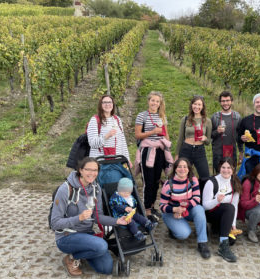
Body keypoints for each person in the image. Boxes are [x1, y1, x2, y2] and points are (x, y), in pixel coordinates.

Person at [51, 157, 128, 276]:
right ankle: (71, 258)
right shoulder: (65, 189)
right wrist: (79, 218)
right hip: (67, 236)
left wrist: (117, 221)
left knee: (106, 269)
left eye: (95, 170)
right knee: (102, 245)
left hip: (86, 233)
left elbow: (98, 217)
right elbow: (55, 223)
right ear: (80, 170)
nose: (92, 173)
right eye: (88, 170)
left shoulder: (96, 188)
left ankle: (85, 251)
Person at [159, 158, 211, 259]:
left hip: (186, 209)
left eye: (185, 167)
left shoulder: (193, 180)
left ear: (189, 169)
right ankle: (173, 229)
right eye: (179, 167)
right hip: (171, 212)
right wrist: (174, 210)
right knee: (184, 234)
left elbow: (196, 199)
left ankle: (202, 243)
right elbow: (162, 206)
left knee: (199, 209)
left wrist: (183, 209)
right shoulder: (168, 185)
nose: (182, 169)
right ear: (175, 169)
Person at [134, 91, 173, 222]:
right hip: (148, 151)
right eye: (153, 100)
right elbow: (138, 135)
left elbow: (166, 134)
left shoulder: (162, 116)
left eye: (157, 101)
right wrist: (153, 132)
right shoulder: (142, 116)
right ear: (148, 101)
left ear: (160, 103)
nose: (155, 103)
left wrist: (167, 147)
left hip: (160, 151)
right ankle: (147, 211)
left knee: (157, 180)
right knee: (148, 181)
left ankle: (152, 206)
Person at [202, 157, 241, 262]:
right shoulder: (211, 182)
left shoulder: (235, 183)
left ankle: (218, 229)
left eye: (229, 167)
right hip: (209, 213)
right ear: (219, 168)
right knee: (228, 208)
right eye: (223, 167)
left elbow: (235, 205)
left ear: (233, 169)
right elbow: (204, 205)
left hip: (225, 215)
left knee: (232, 240)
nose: (226, 170)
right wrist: (216, 201)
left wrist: (233, 226)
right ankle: (223, 247)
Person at [175, 95, 212, 182]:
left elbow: (208, 141)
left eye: (199, 105)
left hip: (200, 151)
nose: (197, 107)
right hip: (186, 149)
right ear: (191, 105)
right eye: (195, 104)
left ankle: (199, 193)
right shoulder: (185, 119)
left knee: (205, 177)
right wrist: (176, 155)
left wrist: (205, 139)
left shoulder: (207, 121)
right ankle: (184, 194)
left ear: (202, 107)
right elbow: (180, 139)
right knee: (182, 176)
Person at [87, 95, 130, 164]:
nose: (107, 104)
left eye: (110, 102)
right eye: (104, 102)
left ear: (113, 104)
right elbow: (92, 143)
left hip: (116, 161)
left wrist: (127, 159)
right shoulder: (95, 120)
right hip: (99, 162)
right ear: (100, 105)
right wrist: (106, 136)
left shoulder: (117, 119)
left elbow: (122, 141)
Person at [238, 162, 260, 243]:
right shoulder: (248, 182)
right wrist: (255, 200)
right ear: (256, 171)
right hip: (250, 210)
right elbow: (243, 204)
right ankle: (251, 230)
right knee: (259, 211)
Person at [211, 91, 243, 174]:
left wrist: (241, 151)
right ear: (220, 102)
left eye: (227, 100)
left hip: (232, 151)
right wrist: (217, 131)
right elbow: (209, 136)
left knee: (231, 174)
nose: (225, 103)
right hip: (218, 152)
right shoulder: (215, 117)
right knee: (218, 175)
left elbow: (239, 136)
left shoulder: (237, 116)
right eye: (223, 101)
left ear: (231, 101)